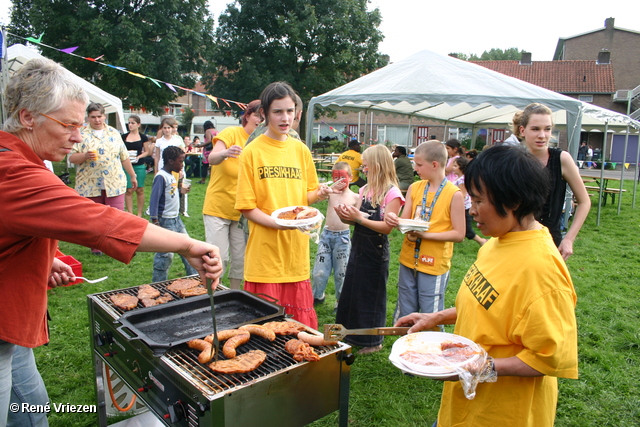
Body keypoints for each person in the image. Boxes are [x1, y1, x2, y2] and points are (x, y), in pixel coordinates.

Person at [0, 57, 222, 427]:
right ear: (27, 117)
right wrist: (186, 245)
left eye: (80, 124)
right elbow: (97, 220)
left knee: (32, 409)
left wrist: (43, 260)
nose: (77, 136)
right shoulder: (12, 173)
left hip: (11, 329)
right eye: (69, 124)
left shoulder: (23, 161)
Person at [396, 145, 578, 427]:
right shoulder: (497, 242)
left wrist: (477, 367)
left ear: (513, 200)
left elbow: (547, 359)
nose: (473, 211)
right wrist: (438, 317)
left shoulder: (543, 272)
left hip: (502, 414)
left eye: (479, 202)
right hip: (466, 404)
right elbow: (491, 304)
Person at [235, 82, 338, 329]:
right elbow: (246, 206)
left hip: (295, 256)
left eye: (290, 111)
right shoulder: (252, 152)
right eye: (278, 112)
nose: (285, 118)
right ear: (264, 114)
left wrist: (319, 193)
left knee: (297, 332)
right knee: (265, 331)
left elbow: (305, 196)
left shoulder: (301, 150)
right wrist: (278, 224)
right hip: (264, 256)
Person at [334, 144, 404, 354]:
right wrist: (346, 215)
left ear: (378, 165)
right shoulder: (364, 189)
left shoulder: (392, 193)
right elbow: (358, 218)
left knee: (371, 296)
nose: (363, 170)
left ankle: (373, 342)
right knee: (354, 290)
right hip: (358, 246)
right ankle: (351, 334)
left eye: (366, 166)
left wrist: (357, 219)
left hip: (376, 249)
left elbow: (387, 228)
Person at [385, 141, 465, 322]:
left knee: (430, 315)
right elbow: (404, 221)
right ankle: (404, 347)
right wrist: (395, 220)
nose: (415, 168)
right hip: (408, 259)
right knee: (405, 310)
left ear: (434, 165)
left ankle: (430, 349)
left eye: (419, 165)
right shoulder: (415, 187)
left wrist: (425, 235)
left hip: (433, 264)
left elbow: (459, 234)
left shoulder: (454, 194)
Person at [513, 103, 591, 259]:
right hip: (516, 241)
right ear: (523, 130)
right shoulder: (513, 160)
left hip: (550, 243)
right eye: (535, 129)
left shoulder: (561, 159)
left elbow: (584, 202)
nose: (542, 135)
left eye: (547, 129)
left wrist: (569, 239)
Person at [203, 100, 262, 289]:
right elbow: (211, 158)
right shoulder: (231, 133)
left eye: (264, 117)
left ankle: (234, 295)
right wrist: (225, 153)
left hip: (242, 211)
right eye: (257, 116)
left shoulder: (260, 143)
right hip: (218, 208)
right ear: (247, 116)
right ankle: (215, 294)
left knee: (240, 260)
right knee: (220, 258)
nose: (260, 121)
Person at [69, 102, 137, 256]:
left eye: (99, 116)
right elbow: (71, 158)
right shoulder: (80, 133)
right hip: (89, 183)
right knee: (95, 217)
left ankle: (117, 245)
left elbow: (124, 157)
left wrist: (132, 175)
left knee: (117, 216)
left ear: (104, 116)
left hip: (114, 181)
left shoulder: (114, 133)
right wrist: (85, 156)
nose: (97, 120)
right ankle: (96, 246)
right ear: (88, 117)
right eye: (93, 117)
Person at [311, 162, 360, 310]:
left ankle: (341, 302)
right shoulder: (331, 193)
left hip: (342, 239)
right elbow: (317, 199)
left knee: (341, 274)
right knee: (319, 272)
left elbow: (358, 219)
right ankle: (317, 296)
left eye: (342, 177)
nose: (339, 181)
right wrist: (328, 190)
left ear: (350, 178)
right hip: (326, 237)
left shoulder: (356, 197)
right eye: (335, 177)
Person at [149, 146, 199, 281]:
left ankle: (195, 280)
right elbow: (154, 200)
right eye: (180, 161)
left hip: (176, 220)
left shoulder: (172, 175)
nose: (182, 165)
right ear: (170, 161)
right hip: (165, 221)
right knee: (165, 255)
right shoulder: (161, 176)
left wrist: (181, 191)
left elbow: (172, 195)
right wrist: (155, 221)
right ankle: (158, 284)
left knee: (189, 249)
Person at [452, 156, 487, 246]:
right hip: (460, 207)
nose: (453, 167)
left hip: (463, 208)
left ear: (461, 167)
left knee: (467, 229)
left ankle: (481, 241)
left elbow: (462, 195)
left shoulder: (462, 180)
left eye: (455, 166)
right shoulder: (458, 178)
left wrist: (457, 205)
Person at [122, 114, 150, 217]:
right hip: (127, 165)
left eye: (132, 123)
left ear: (138, 124)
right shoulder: (124, 137)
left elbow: (147, 151)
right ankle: (130, 214)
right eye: (129, 123)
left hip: (139, 165)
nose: (130, 125)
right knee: (128, 190)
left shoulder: (143, 137)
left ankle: (139, 214)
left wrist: (139, 156)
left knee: (139, 189)